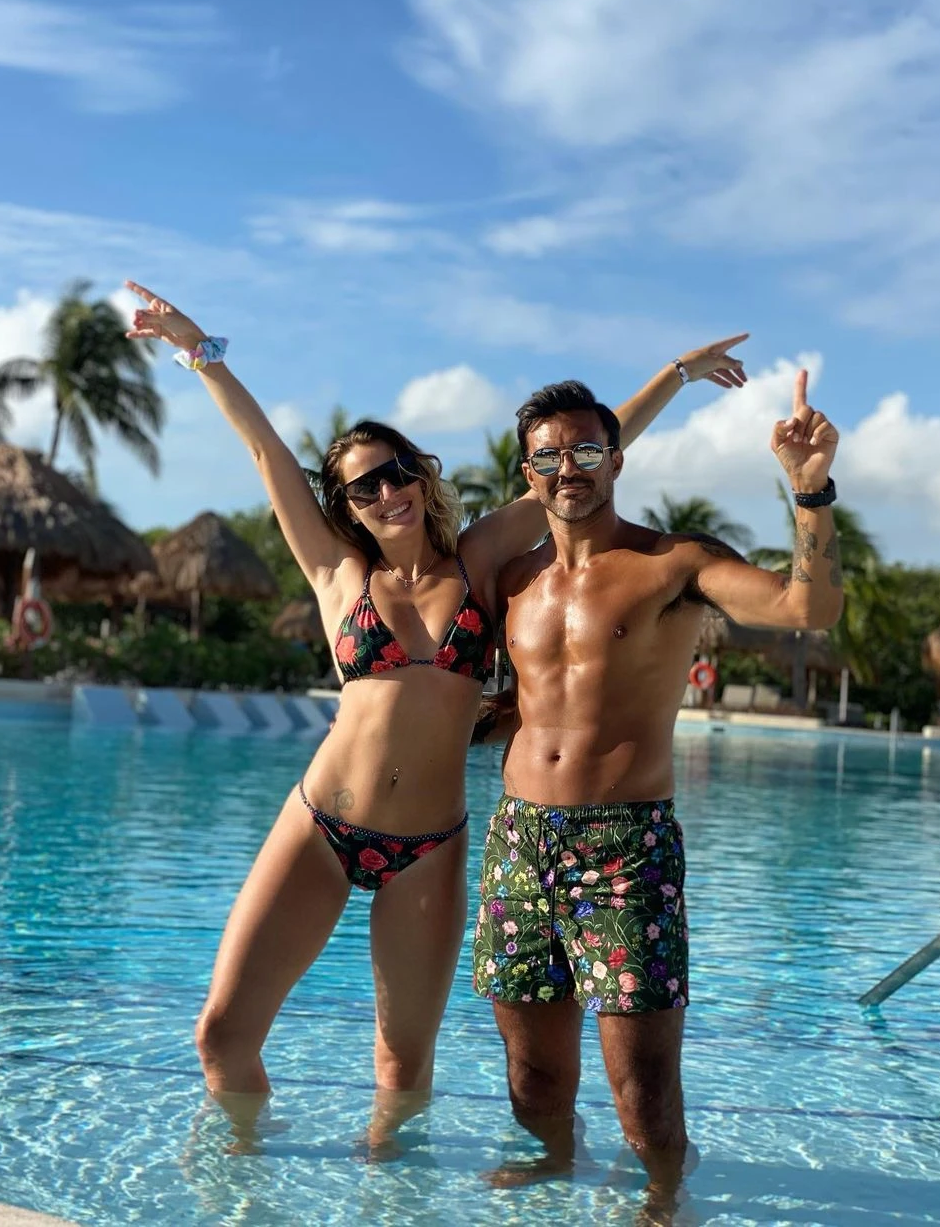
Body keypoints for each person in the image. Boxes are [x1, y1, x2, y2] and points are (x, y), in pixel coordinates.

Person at [123, 279, 749, 1147]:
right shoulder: (337, 575)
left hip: (428, 847)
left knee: (402, 1065)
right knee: (221, 1034)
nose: (387, 494)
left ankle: (386, 1193)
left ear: (420, 474)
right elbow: (267, 452)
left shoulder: (478, 559)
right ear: (346, 507)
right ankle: (243, 1173)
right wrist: (199, 350)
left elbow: (582, 460)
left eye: (396, 473)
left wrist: (676, 375)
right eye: (364, 488)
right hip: (321, 824)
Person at [472, 369, 841, 1206]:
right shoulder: (513, 580)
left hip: (624, 847)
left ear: (617, 459)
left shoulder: (673, 563)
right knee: (531, 1081)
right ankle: (555, 1166)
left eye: (585, 450)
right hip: (518, 841)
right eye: (548, 456)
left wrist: (811, 492)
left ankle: (666, 1198)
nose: (568, 468)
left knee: (641, 1096)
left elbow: (806, 610)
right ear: (529, 474)